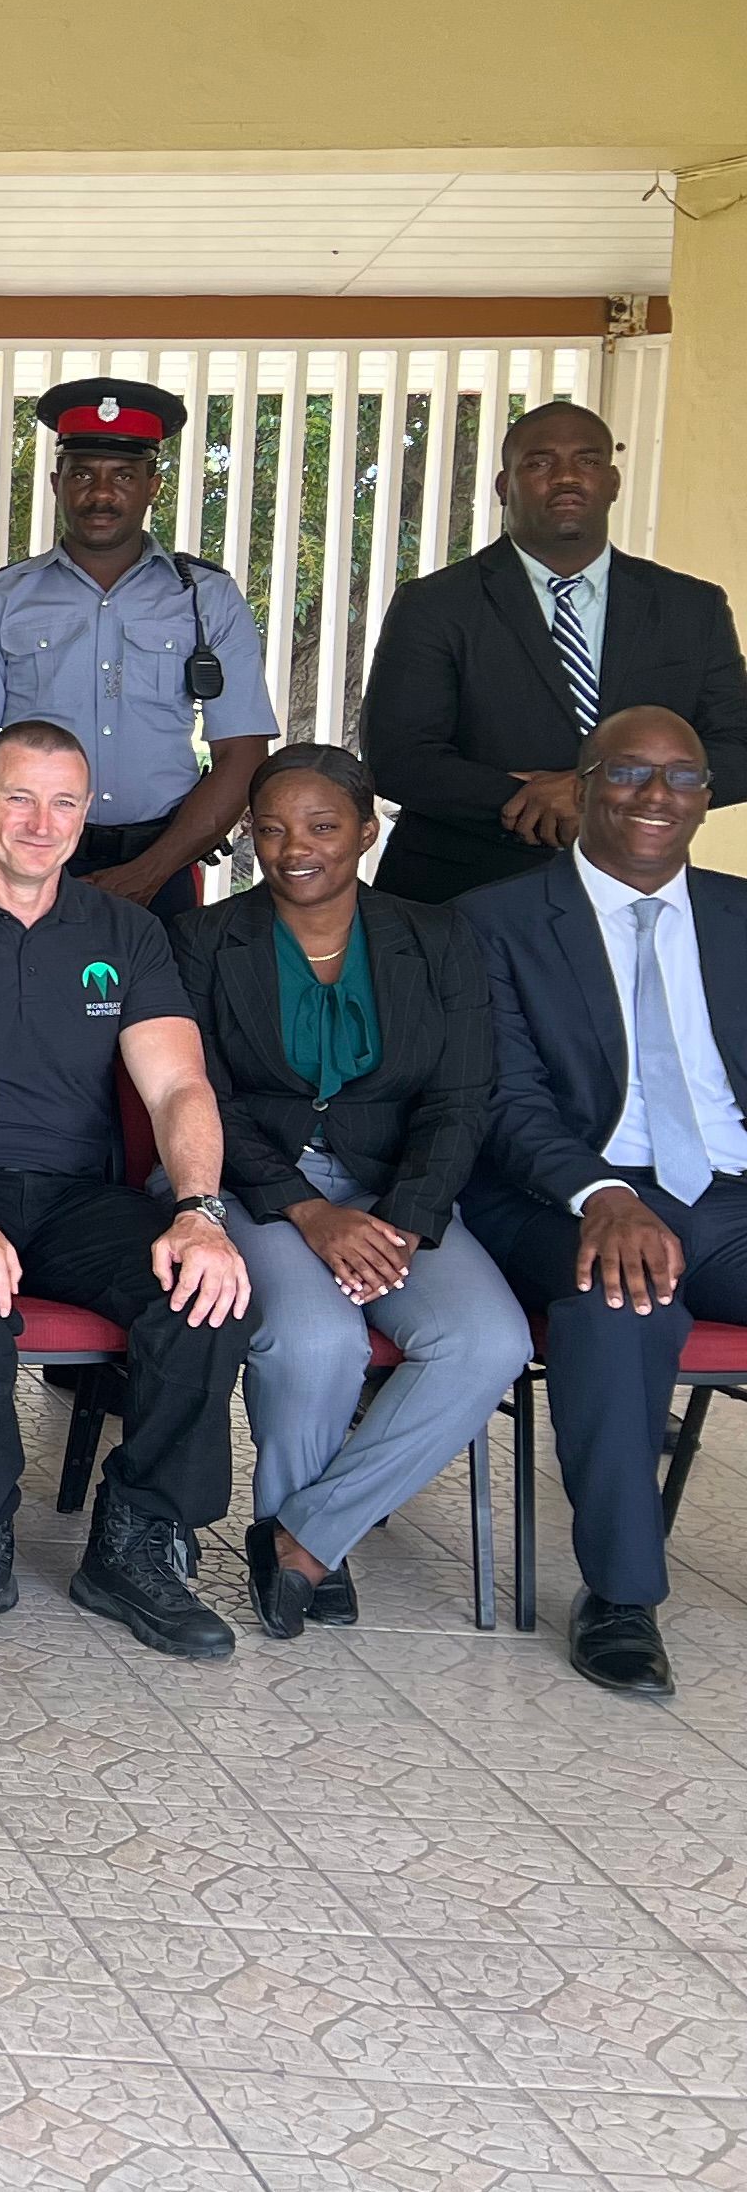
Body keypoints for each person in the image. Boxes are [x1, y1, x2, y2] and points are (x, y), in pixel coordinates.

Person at [0, 719, 257, 1659]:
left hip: (80, 1195)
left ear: (86, 816)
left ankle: (138, 1539)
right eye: (19, 798)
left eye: (64, 802)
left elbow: (179, 1085)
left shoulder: (126, 930)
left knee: (207, 1298)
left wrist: (199, 1210)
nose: (41, 822)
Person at [169, 746, 524, 1638]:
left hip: (395, 1185)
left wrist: (402, 1219)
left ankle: (303, 1538)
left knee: (486, 1341)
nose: (298, 847)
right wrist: (306, 1207)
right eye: (274, 828)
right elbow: (196, 1093)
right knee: (316, 1337)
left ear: (367, 832)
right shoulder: (206, 940)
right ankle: (304, 1546)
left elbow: (461, 1096)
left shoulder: (437, 936)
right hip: (251, 1185)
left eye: (324, 827)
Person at [457, 704, 747, 1700]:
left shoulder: (743, 915)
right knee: (622, 1302)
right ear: (581, 788)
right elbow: (506, 1100)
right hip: (564, 1194)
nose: (655, 796)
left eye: (681, 778)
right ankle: (622, 1600)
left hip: (728, 1193)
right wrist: (603, 1193)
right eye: (628, 774)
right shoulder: (493, 922)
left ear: (707, 800)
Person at [361, 401, 747, 904]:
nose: (566, 477)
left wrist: (590, 793)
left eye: (587, 460)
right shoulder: (435, 604)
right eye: (540, 462)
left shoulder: (691, 607)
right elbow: (399, 759)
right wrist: (530, 803)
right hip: (462, 892)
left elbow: (737, 750)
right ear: (504, 486)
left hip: (639, 889)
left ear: (612, 483)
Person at [0, 380, 275, 918]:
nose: (101, 494)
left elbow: (242, 754)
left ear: (153, 486)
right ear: (56, 482)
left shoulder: (208, 598)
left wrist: (151, 871)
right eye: (83, 474)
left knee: (165, 1004)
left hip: (165, 865)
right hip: (27, 864)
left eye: (124, 476)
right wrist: (26, 858)